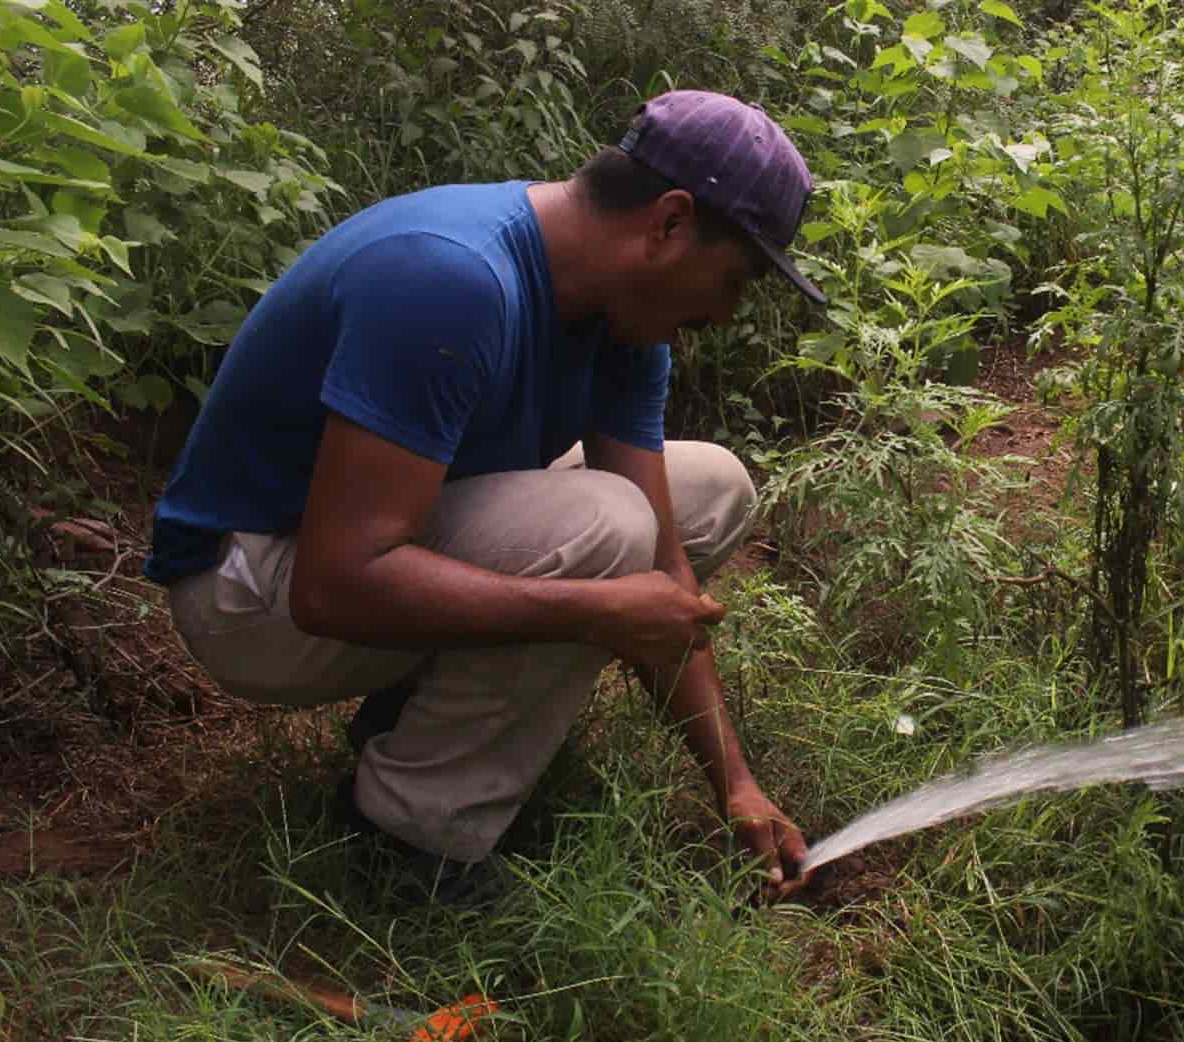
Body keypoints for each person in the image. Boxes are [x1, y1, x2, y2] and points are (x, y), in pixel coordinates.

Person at [143, 90, 826, 905]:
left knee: (708, 488)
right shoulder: (452, 278)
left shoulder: (623, 314)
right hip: (254, 595)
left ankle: (412, 723)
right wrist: (596, 613)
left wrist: (736, 786)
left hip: (359, 559)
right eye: (735, 281)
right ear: (670, 223)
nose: (723, 313)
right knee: (608, 526)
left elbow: (669, 584)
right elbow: (332, 588)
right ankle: (410, 837)